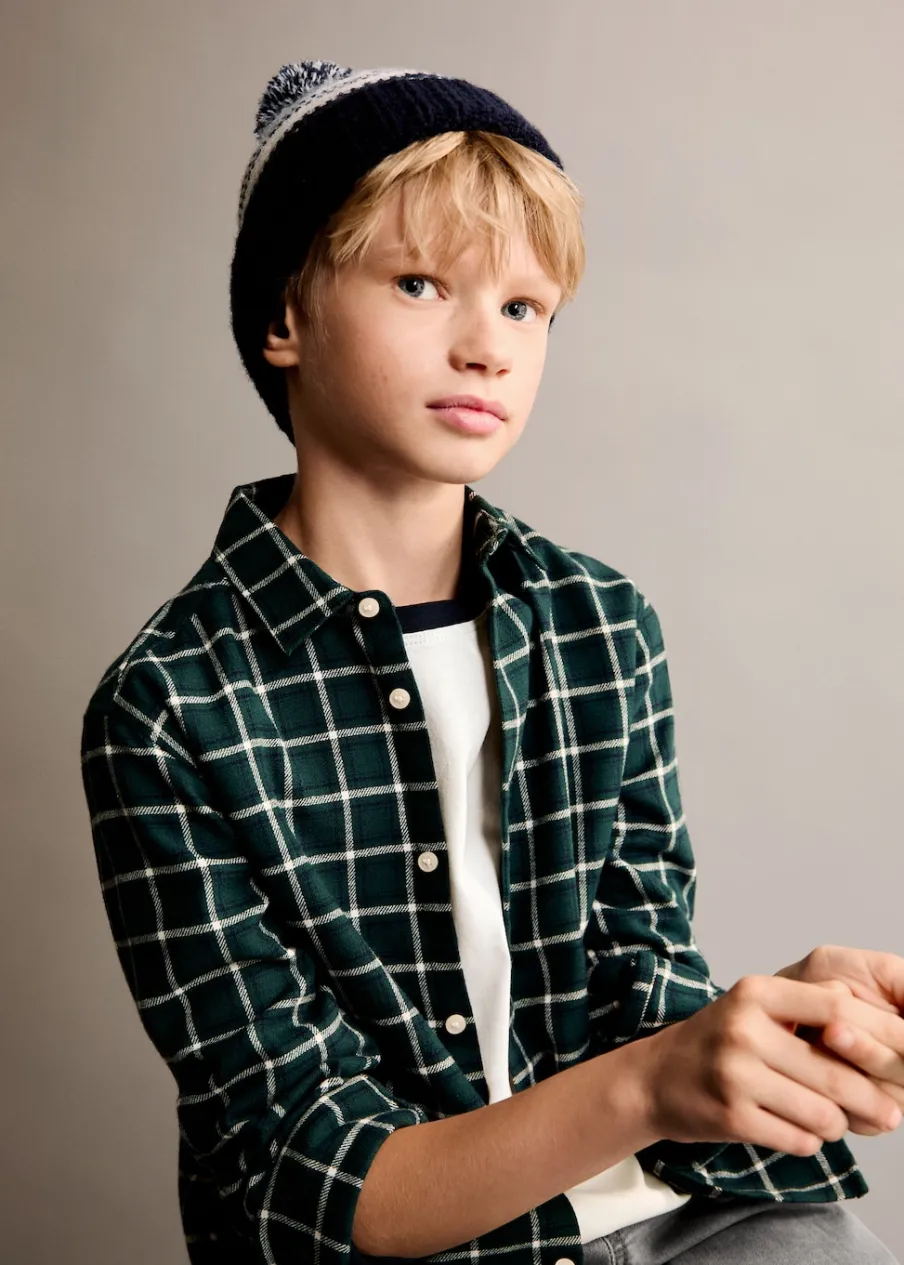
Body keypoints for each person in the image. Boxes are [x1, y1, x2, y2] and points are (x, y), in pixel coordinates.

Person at [78, 59, 903, 1265]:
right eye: (421, 283)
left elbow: (634, 989)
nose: (486, 347)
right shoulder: (171, 705)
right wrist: (654, 1080)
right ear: (284, 316)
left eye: (524, 307)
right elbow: (316, 1175)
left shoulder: (599, 622)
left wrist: (768, 1029)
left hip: (695, 1212)